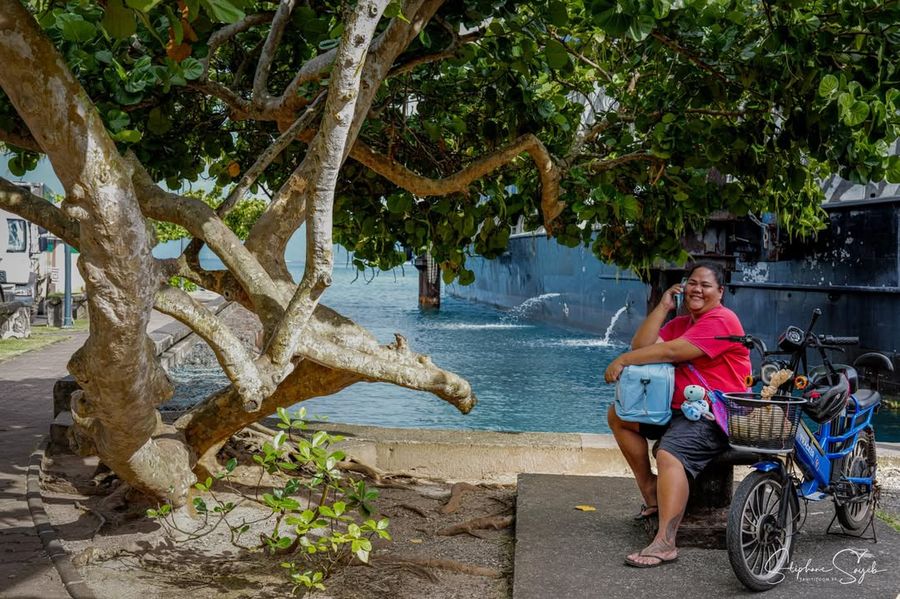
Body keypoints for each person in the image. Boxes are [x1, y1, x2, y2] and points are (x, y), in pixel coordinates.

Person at [604, 262, 750, 568]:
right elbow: (642, 345)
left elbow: (671, 353)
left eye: (705, 285)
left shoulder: (723, 320)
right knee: (619, 416)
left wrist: (623, 360)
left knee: (669, 452)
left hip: (714, 415)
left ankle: (665, 542)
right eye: (692, 283)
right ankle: (651, 492)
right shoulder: (683, 323)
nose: (697, 289)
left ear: (720, 292)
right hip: (678, 411)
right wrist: (663, 307)